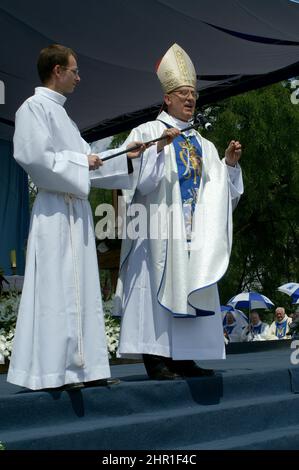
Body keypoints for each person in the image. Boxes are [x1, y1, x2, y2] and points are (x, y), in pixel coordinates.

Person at [7, 44, 147, 390]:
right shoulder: (33, 109)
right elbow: (32, 156)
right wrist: (79, 162)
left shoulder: (66, 119)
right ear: (57, 70)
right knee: (56, 290)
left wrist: (126, 156)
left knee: (83, 289)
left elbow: (91, 162)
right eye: (74, 70)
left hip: (77, 213)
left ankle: (88, 369)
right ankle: (56, 372)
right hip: (55, 212)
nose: (79, 77)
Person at [113, 43, 244, 379]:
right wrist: (158, 149)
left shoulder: (204, 143)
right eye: (183, 94)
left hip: (191, 235)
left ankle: (185, 356)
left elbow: (221, 197)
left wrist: (228, 166)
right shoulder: (146, 132)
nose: (190, 99)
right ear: (167, 98)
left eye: (193, 95)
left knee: (190, 285)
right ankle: (155, 358)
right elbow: (138, 184)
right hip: (157, 231)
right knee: (152, 288)